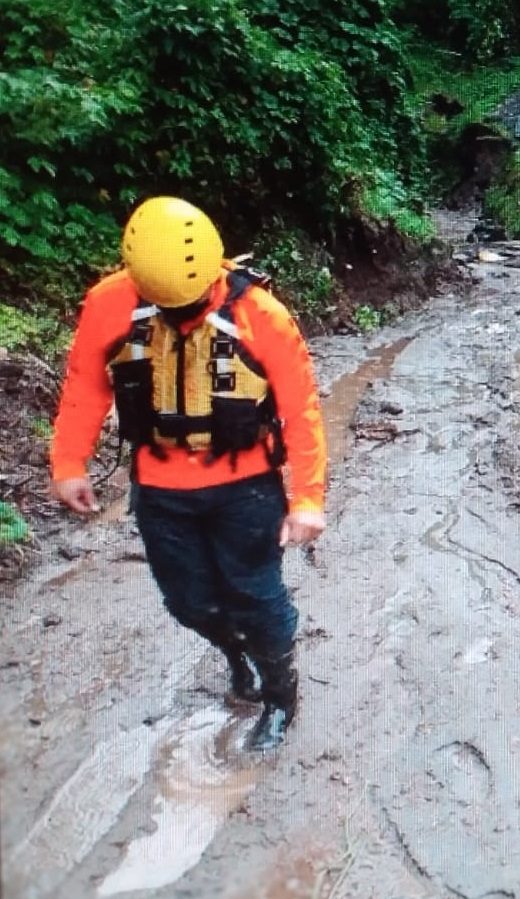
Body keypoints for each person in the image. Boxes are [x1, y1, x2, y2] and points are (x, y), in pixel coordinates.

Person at [49, 196, 327, 751]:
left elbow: (301, 408)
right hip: (161, 490)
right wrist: (68, 462)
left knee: (255, 593)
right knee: (188, 602)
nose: (181, 315)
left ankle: (280, 695)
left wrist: (307, 498)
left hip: (245, 488)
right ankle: (237, 656)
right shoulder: (110, 304)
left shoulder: (261, 314)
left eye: (191, 303)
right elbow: (85, 384)